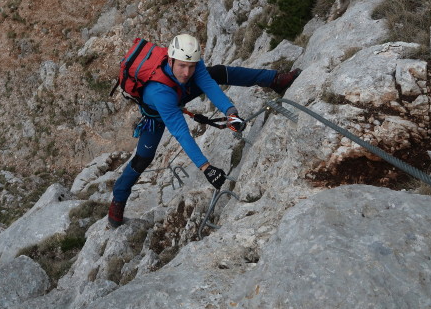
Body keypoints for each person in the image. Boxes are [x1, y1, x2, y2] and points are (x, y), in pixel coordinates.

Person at [108, 34, 301, 227]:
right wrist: (206, 167)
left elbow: (208, 85)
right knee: (143, 159)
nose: (187, 72)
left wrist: (230, 112)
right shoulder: (159, 92)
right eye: (182, 66)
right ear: (171, 60)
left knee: (217, 72)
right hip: (157, 114)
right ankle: (117, 201)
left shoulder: (192, 64)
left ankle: (275, 80)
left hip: (180, 92)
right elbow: (181, 132)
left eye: (191, 66)